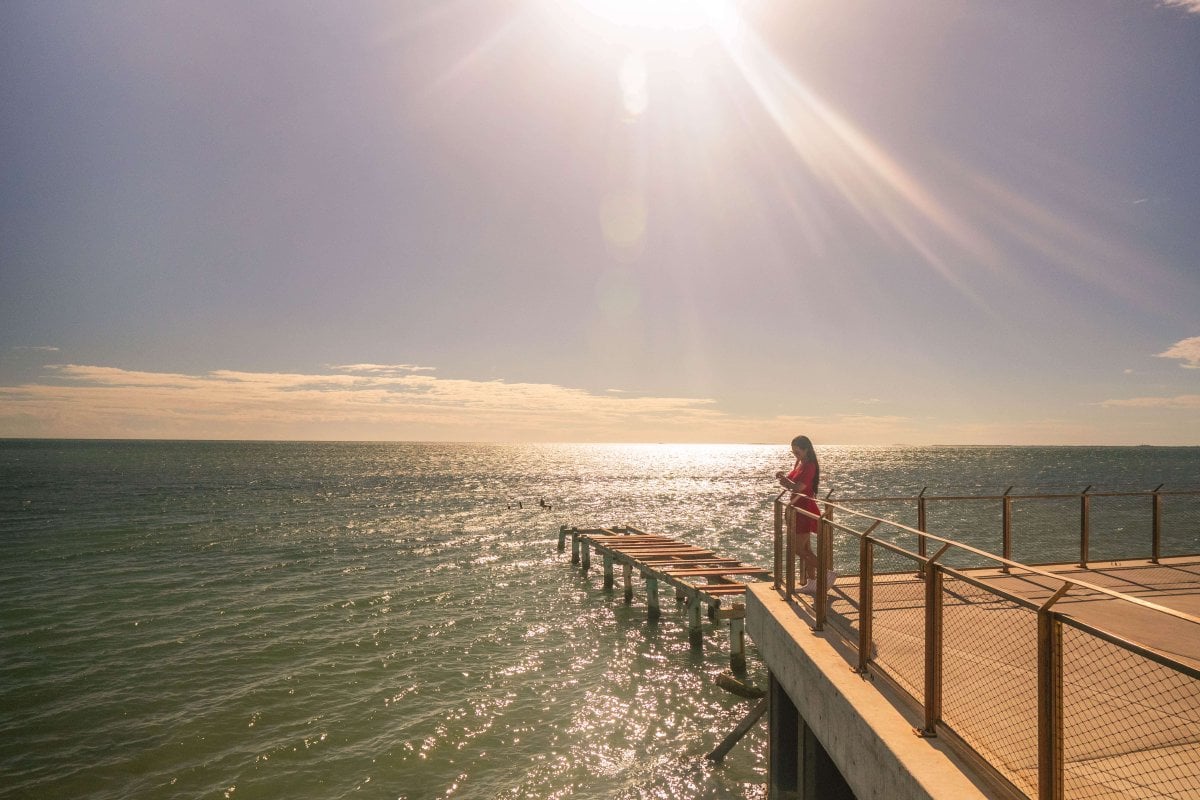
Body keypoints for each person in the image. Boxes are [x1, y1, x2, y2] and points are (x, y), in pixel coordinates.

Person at [775, 435, 833, 595]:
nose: (795, 455)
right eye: (793, 452)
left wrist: (786, 481)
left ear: (806, 449)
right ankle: (812, 582)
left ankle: (826, 572)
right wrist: (783, 478)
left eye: (797, 451)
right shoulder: (800, 464)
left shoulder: (810, 466)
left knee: (798, 549)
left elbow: (799, 487)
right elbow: (792, 484)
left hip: (804, 510)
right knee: (806, 548)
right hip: (797, 508)